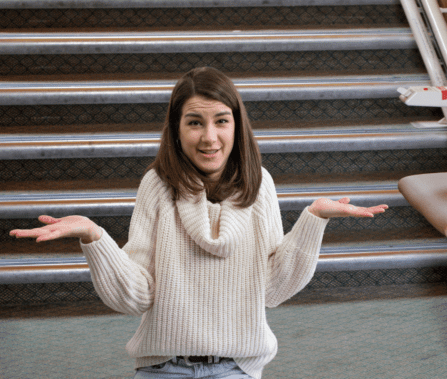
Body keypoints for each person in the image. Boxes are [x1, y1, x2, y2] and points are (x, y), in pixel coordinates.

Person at [8, 67, 387, 379]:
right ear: (176, 129)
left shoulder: (260, 185)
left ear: (236, 125)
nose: (210, 137)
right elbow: (136, 296)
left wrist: (313, 220)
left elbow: (270, 289)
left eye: (221, 121)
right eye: (194, 122)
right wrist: (95, 239)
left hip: (237, 367)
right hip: (162, 367)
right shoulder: (156, 185)